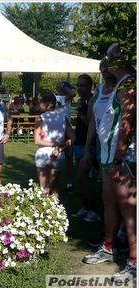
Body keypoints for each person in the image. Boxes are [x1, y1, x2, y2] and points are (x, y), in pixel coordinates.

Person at [82, 42, 136, 283]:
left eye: (111, 56)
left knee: (129, 206)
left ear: (122, 59)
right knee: (109, 200)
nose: (107, 60)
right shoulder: (118, 86)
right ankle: (109, 246)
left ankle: (134, 261)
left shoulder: (130, 84)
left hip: (123, 157)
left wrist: (118, 159)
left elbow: (127, 125)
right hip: (107, 155)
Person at [82, 56, 128, 250]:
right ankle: (111, 237)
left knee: (124, 199)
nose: (105, 69)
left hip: (121, 150)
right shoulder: (99, 91)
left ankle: (122, 236)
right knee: (108, 197)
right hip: (103, 150)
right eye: (102, 67)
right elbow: (93, 121)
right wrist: (87, 149)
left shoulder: (124, 89)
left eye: (108, 66)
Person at [69, 74, 101, 222]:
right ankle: (86, 207)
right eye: (78, 85)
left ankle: (93, 211)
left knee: (82, 176)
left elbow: (89, 121)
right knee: (81, 179)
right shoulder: (82, 100)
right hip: (79, 143)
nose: (80, 88)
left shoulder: (91, 100)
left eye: (83, 85)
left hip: (89, 145)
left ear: (90, 86)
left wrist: (80, 110)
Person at [33, 92, 75, 199]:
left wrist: (53, 144)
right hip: (58, 154)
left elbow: (37, 141)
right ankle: (56, 211)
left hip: (42, 154)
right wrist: (60, 147)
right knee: (54, 187)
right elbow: (73, 138)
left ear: (46, 104)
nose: (39, 104)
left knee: (44, 188)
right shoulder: (63, 118)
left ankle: (44, 213)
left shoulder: (40, 118)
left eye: (40, 102)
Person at [55, 81, 76, 196]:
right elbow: (73, 94)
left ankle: (69, 183)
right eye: (67, 89)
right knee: (56, 158)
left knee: (69, 157)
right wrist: (63, 87)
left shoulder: (65, 101)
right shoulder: (58, 98)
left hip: (66, 132)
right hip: (57, 132)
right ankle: (53, 184)